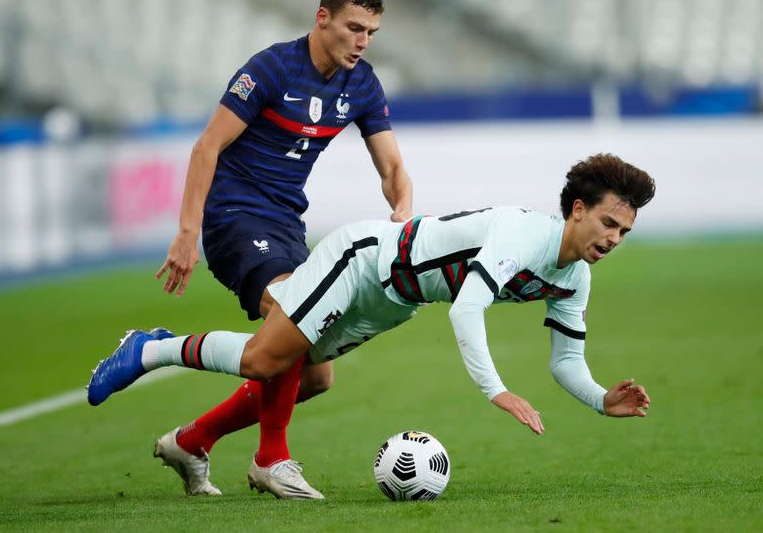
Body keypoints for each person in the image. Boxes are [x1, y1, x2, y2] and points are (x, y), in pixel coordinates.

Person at [88, 153, 656, 500]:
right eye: (608, 222)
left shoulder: (575, 278)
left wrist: (601, 400)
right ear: (577, 209)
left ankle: (192, 442)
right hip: (362, 259)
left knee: (312, 380)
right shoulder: (523, 235)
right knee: (265, 359)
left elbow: (565, 361)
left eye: (624, 232)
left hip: (394, 300)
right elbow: (466, 308)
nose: (613, 239)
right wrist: (497, 390)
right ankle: (151, 350)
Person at [140, 0, 412, 496]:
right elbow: (206, 149)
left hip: (286, 222)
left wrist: (403, 209)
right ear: (323, 18)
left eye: (372, 32)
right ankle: (271, 459)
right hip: (233, 215)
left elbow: (392, 165)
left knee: (315, 376)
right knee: (291, 308)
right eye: (354, 27)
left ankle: (193, 439)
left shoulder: (361, 84)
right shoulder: (271, 69)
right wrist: (186, 233)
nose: (363, 40)